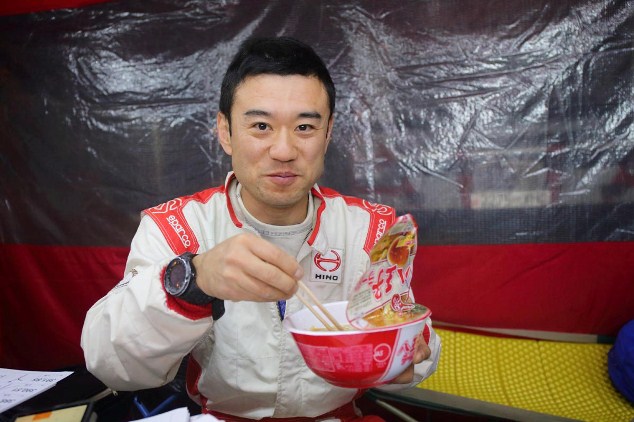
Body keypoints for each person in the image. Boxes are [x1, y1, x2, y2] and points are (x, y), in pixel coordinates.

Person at [81, 36, 441, 421]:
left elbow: (413, 336)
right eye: (260, 126)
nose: (283, 150)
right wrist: (193, 281)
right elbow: (110, 362)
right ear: (225, 131)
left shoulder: (371, 231)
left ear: (328, 132)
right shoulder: (178, 227)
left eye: (305, 126)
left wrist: (409, 358)